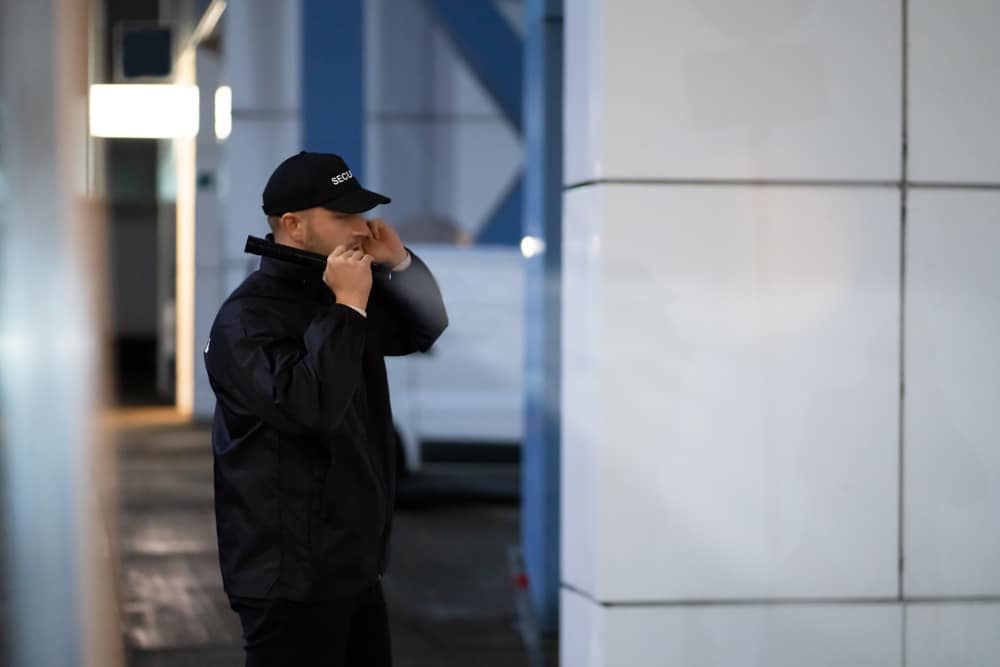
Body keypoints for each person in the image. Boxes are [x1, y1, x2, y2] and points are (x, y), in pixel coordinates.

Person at [203, 151, 448, 666]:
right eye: (342, 217)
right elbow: (309, 406)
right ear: (292, 225)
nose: (360, 229)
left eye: (361, 214)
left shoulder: (335, 293)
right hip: (290, 576)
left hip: (351, 565)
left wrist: (399, 262)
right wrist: (348, 308)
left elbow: (424, 326)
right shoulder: (247, 319)